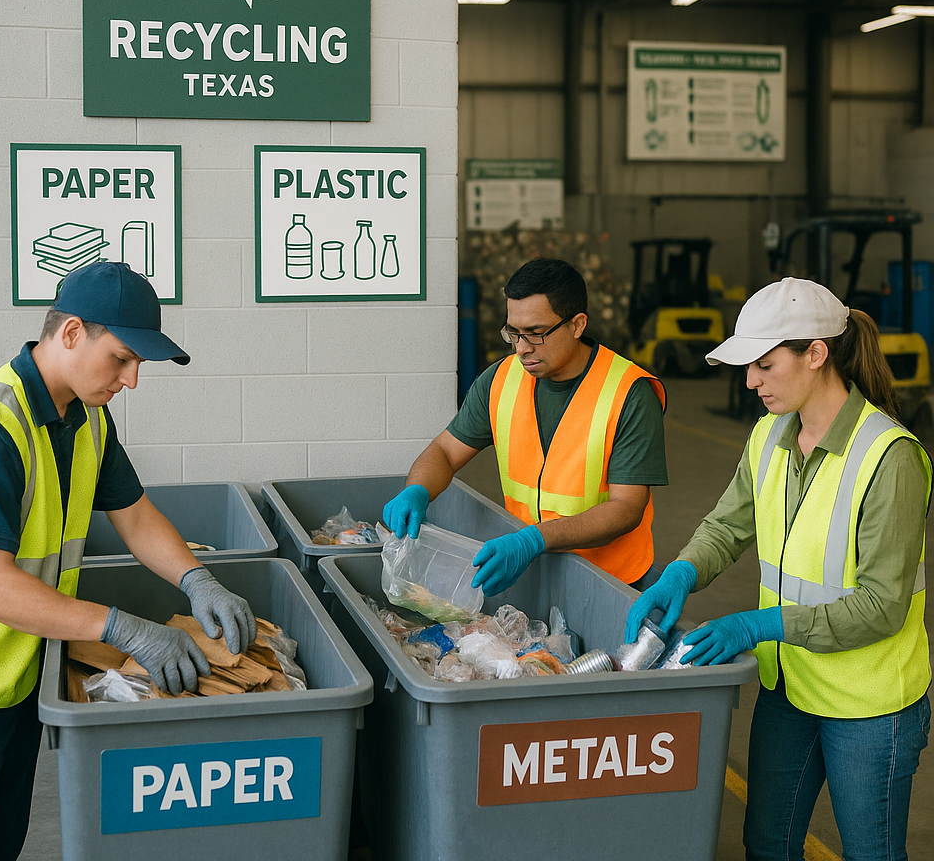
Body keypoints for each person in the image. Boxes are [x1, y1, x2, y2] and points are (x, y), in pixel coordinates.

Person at [0, 260, 257, 861]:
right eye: (122, 359)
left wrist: (197, 579)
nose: (132, 380)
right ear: (71, 332)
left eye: (138, 365)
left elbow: (137, 516)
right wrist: (122, 628)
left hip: (22, 671)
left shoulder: (87, 417)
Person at [625, 276, 931, 861]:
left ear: (816, 354)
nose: (750, 381)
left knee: (872, 852)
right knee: (767, 842)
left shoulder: (889, 458)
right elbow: (729, 524)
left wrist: (756, 627)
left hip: (868, 709)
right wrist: (681, 573)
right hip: (789, 687)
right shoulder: (769, 435)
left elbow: (881, 606)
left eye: (764, 364)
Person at [383, 257, 667, 596]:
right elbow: (445, 450)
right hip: (531, 569)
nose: (522, 348)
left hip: (608, 580)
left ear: (577, 325)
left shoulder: (628, 393)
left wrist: (535, 537)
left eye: (536, 333)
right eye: (513, 333)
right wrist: (418, 489)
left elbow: (626, 509)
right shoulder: (501, 380)